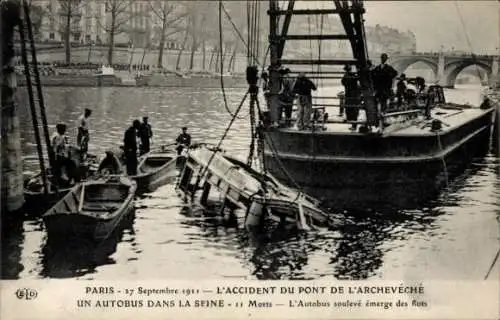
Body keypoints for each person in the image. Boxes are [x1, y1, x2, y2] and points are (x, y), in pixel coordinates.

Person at [341, 64, 361, 131]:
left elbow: (343, 82)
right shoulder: (352, 75)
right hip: (352, 95)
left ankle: (353, 125)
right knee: (352, 110)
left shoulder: (346, 76)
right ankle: (353, 125)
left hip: (350, 95)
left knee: (351, 110)